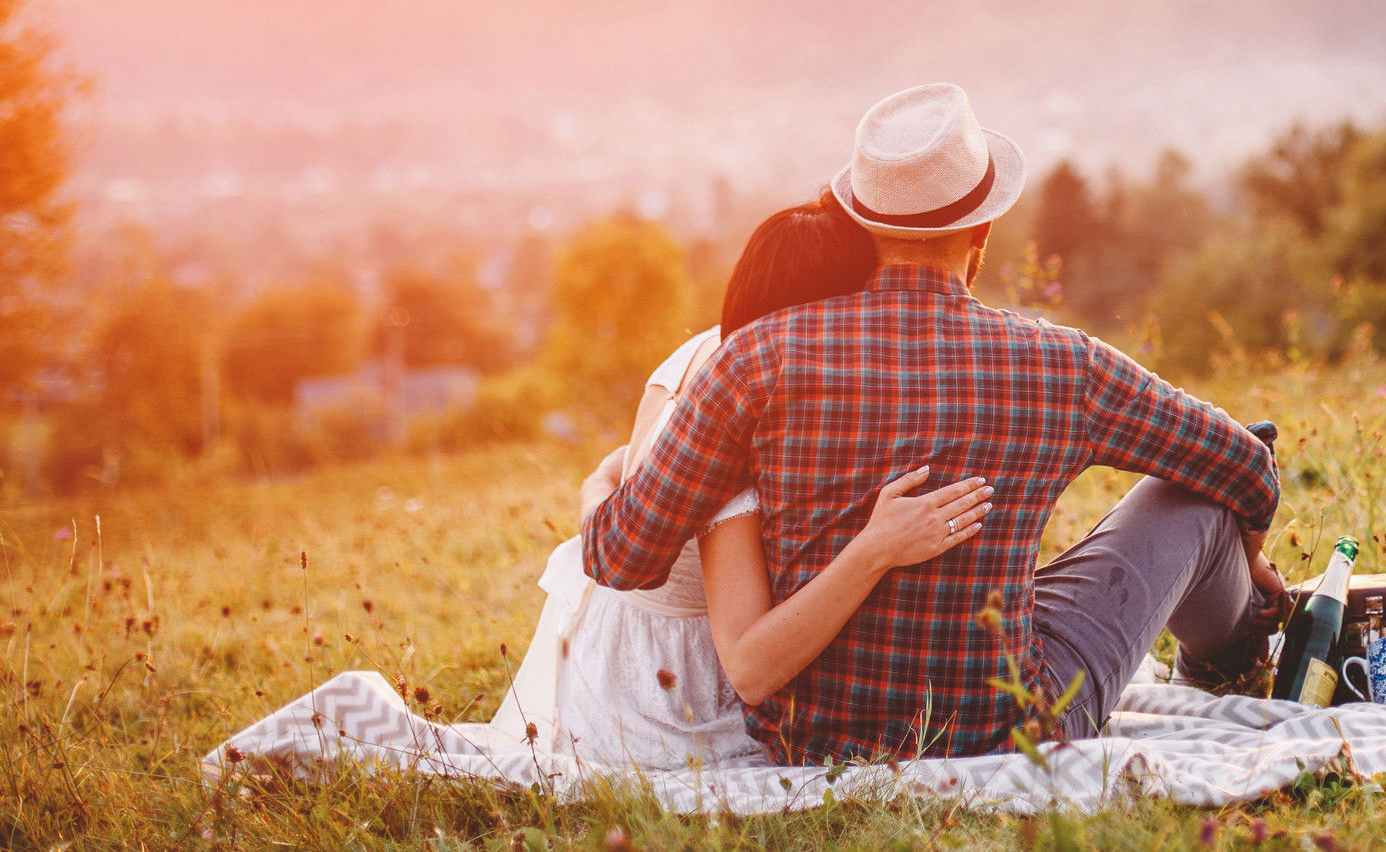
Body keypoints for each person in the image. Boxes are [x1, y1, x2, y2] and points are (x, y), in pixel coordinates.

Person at [586, 83, 1286, 765]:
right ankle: (1230, 659)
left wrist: (597, 485)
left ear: (861, 221)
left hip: (811, 737)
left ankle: (1232, 643)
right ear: (983, 227)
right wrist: (1248, 557)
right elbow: (1246, 465)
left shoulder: (753, 357)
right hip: (1005, 725)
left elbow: (621, 557)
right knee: (1192, 495)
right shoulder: (1065, 364)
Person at [498, 193, 995, 770]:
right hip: (673, 691)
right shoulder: (745, 435)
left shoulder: (697, 354)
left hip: (602, 643)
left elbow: (622, 465)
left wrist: (593, 491)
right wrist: (877, 549)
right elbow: (753, 667)